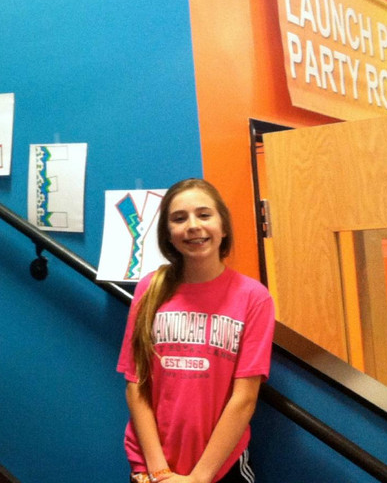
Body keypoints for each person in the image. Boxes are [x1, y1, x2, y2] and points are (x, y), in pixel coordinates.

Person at [117, 178, 275, 483]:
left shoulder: (254, 298)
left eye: (204, 215)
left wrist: (198, 478)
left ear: (223, 226)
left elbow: (244, 399)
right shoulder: (150, 289)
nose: (193, 226)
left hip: (218, 468)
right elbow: (136, 385)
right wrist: (160, 472)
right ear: (168, 234)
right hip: (152, 466)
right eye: (179, 218)